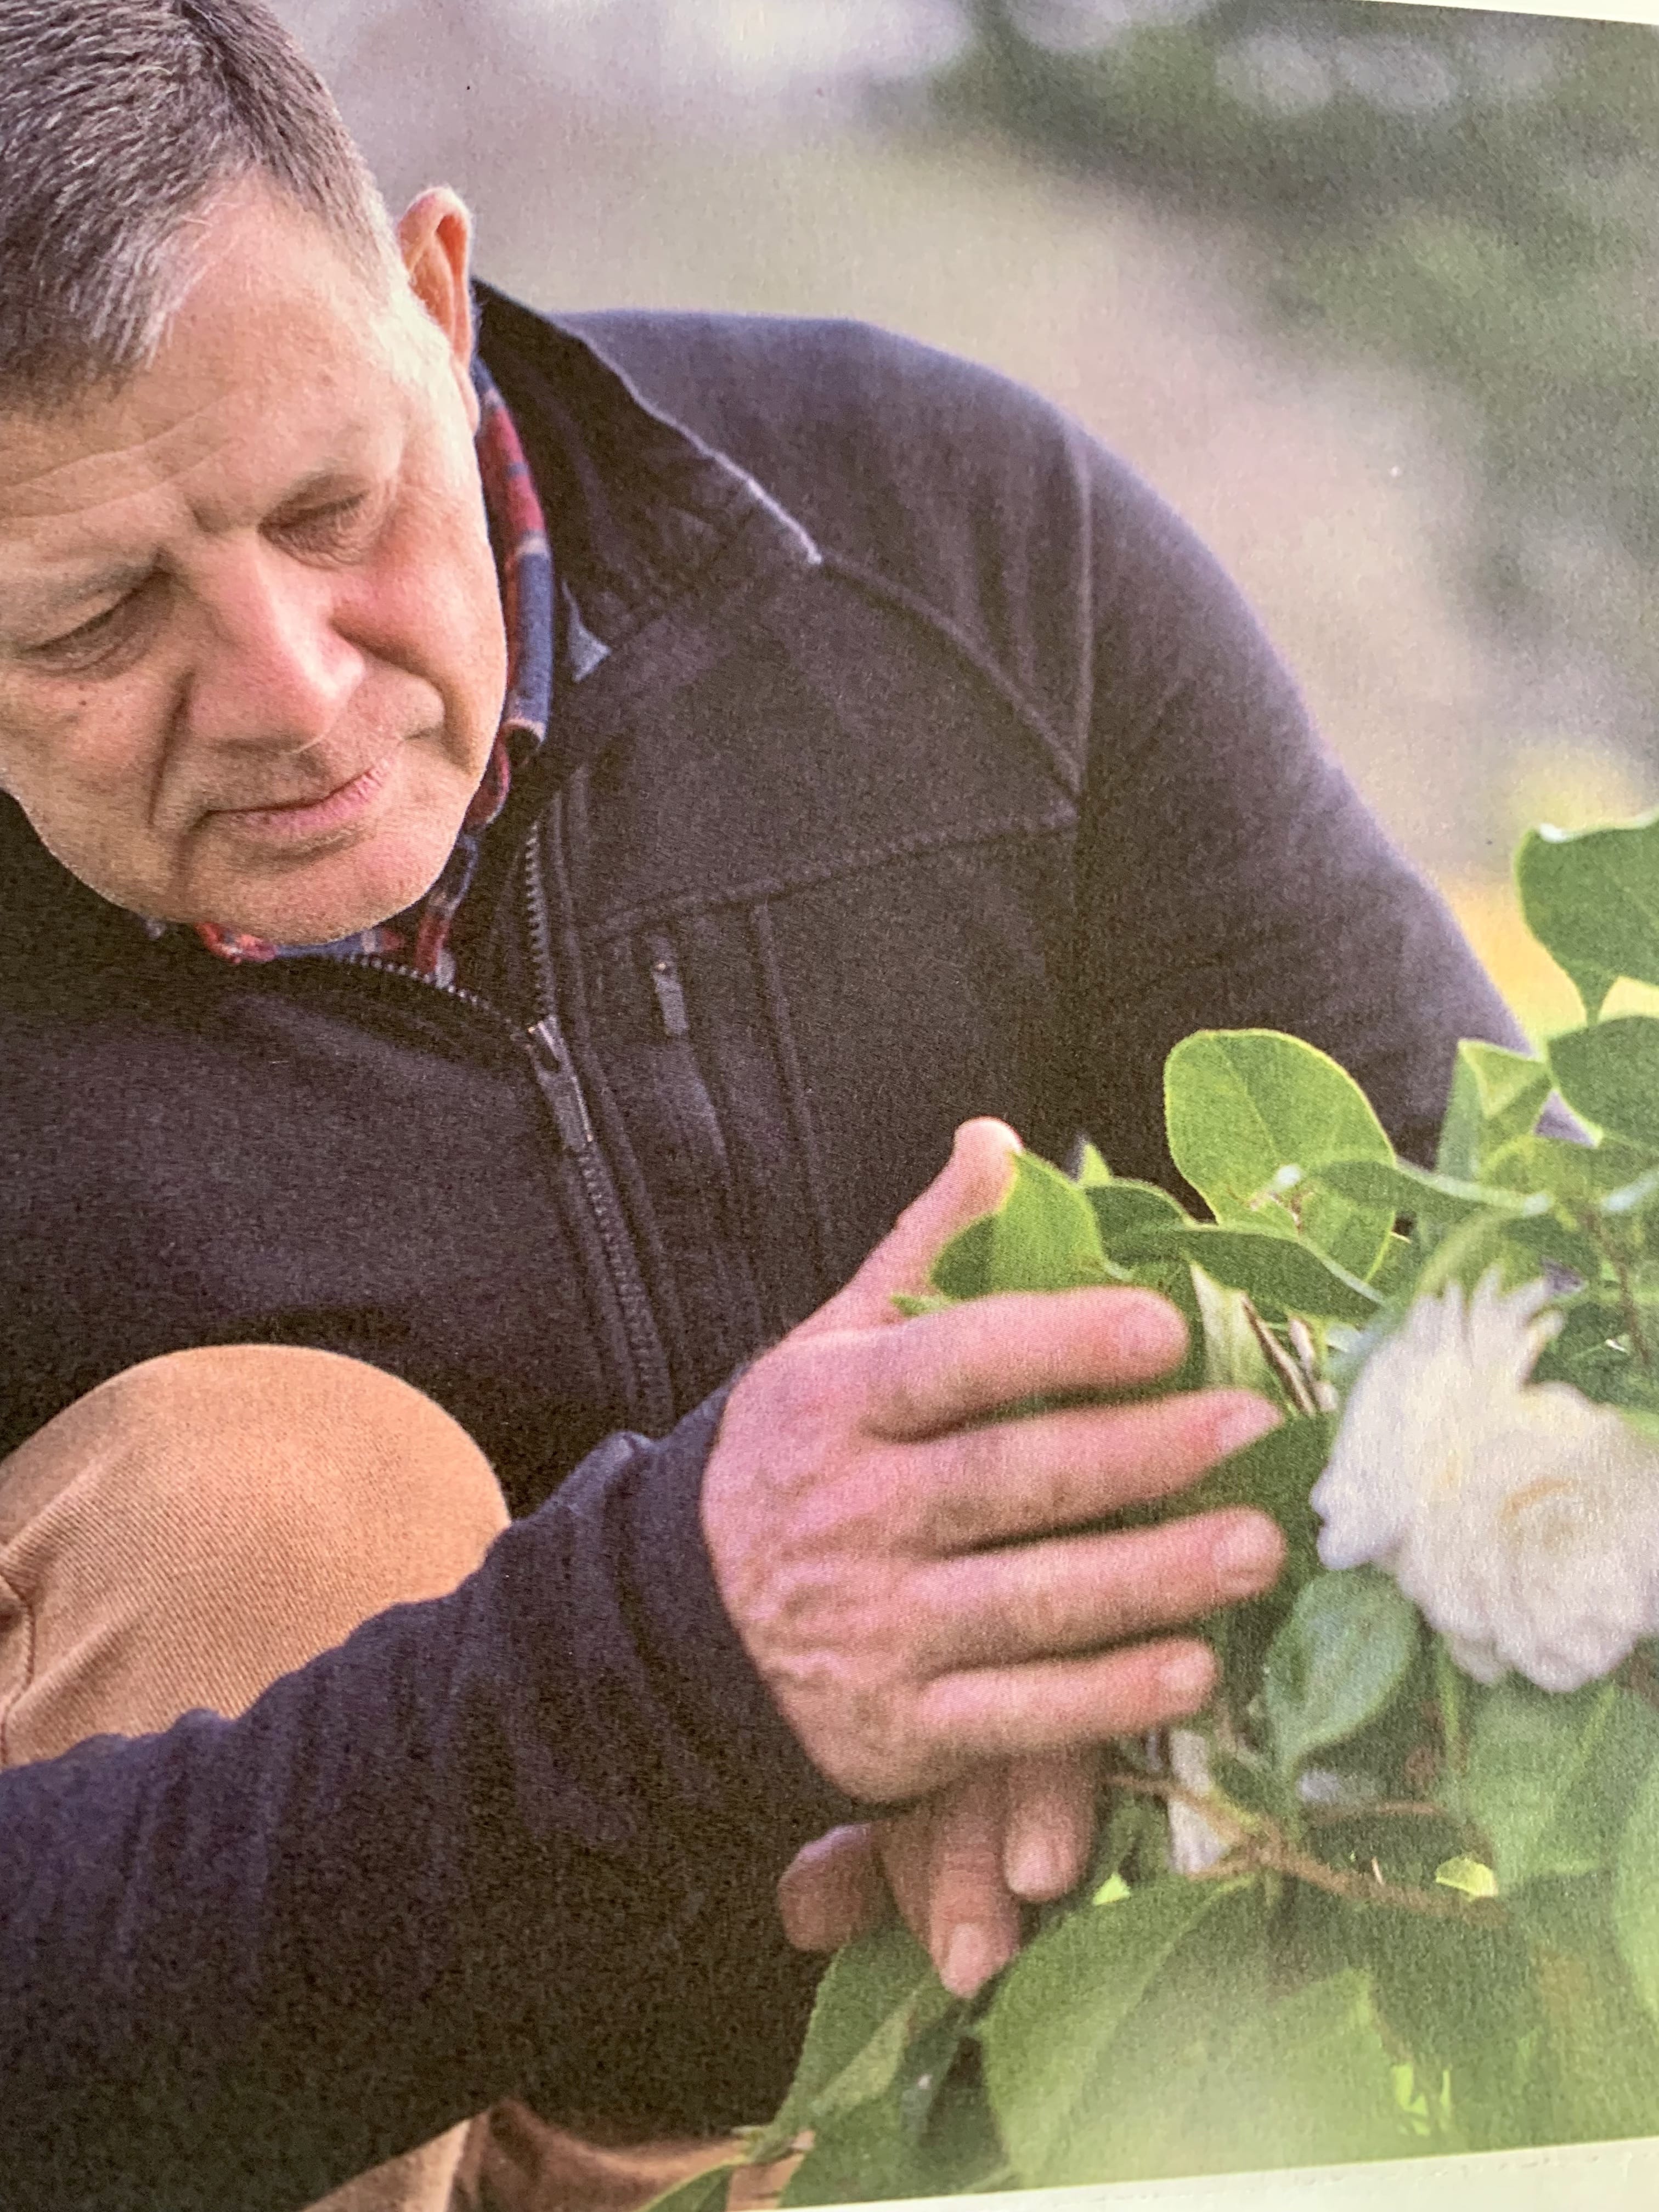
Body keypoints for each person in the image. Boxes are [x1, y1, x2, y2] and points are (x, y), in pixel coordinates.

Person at [0, 3, 1530, 2208]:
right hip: (200, 2108)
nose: (292, 693)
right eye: (101, 616)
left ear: (435, 299)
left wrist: (1118, 1638)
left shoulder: (963, 538)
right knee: (278, 1506)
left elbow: (1464, 1273)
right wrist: (696, 1662)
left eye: (340, 507)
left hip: (878, 2085)